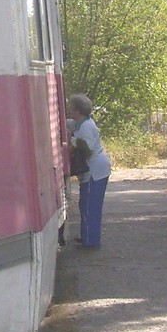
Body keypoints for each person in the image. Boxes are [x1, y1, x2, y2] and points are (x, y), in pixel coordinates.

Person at [67, 94, 111, 248]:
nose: (69, 110)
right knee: (85, 204)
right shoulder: (80, 123)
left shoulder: (86, 126)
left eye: (72, 108)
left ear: (78, 110)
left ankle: (91, 241)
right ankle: (87, 235)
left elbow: (87, 148)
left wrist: (72, 142)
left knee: (90, 206)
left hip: (95, 171)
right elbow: (67, 123)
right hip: (93, 170)